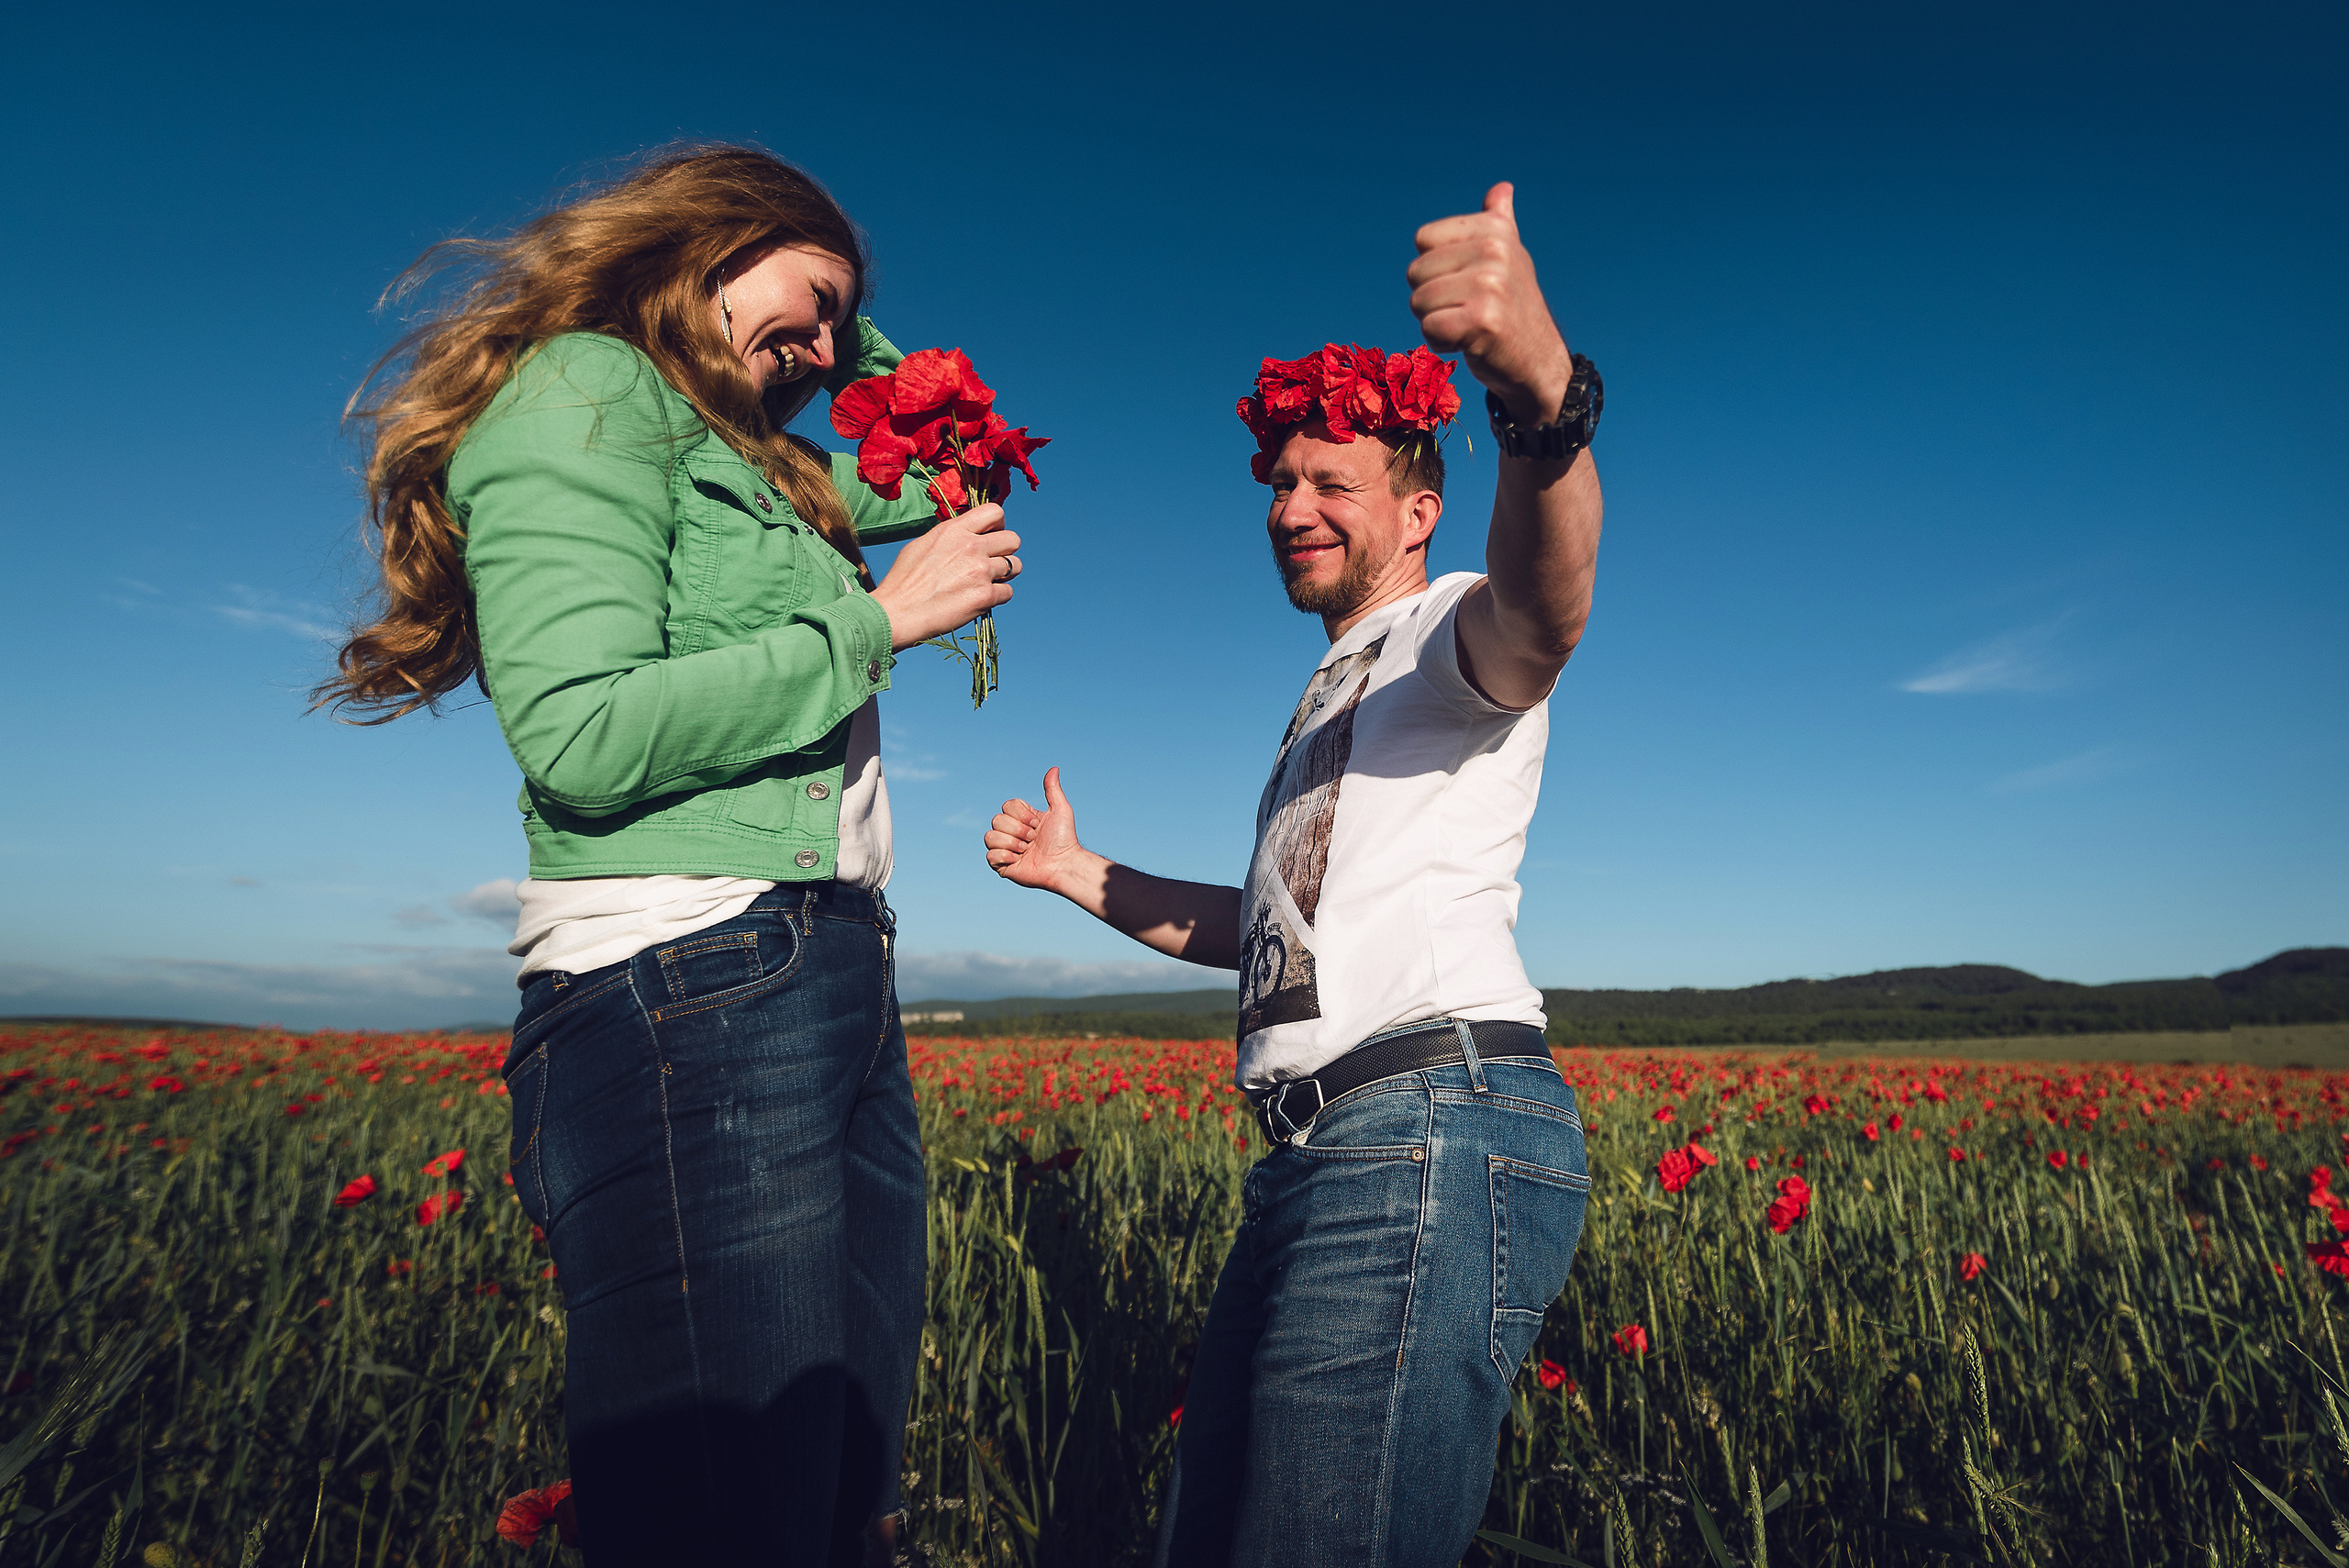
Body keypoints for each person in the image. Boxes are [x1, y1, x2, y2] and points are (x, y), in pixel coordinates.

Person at [317, 145, 1023, 1567]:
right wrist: (875, 627)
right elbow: (578, 733)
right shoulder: (588, 388)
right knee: (730, 1517)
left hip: (823, 966)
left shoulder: (768, 460)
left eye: (840, 331)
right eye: (811, 303)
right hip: (688, 971)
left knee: (841, 1494)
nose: (825, 353)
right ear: (708, 237)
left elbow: (948, 456)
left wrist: (831, 320)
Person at [982, 182, 1603, 1566]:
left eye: (1334, 483)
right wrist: (1083, 873)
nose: (1292, 506)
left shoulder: (1448, 632)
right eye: (1280, 484)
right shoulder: (1328, 700)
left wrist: (1539, 399)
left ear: (1420, 507)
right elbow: (1264, 933)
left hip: (1426, 1123)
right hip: (1320, 1155)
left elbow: (1548, 606)